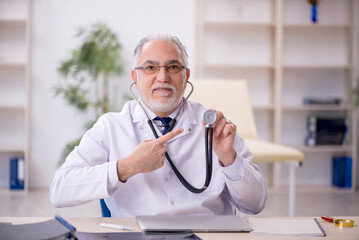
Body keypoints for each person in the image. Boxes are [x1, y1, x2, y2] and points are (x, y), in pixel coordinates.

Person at [49, 33, 267, 217]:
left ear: (186, 75)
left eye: (173, 67)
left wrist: (229, 160)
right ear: (135, 77)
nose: (162, 77)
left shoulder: (216, 128)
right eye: (150, 67)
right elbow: (59, 191)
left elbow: (255, 204)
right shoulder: (111, 127)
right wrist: (125, 167)